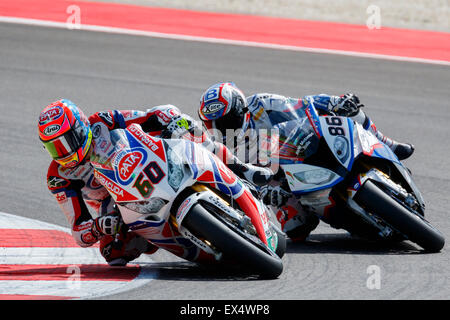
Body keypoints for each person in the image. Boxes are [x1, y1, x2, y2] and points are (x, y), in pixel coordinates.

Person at [38, 99, 270, 266]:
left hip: (146, 167)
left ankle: (240, 169)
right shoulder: (59, 176)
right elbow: (79, 232)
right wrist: (101, 226)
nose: (62, 153)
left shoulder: (103, 122)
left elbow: (151, 115)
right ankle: (192, 244)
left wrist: (172, 120)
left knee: (194, 139)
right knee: (113, 254)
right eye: (53, 147)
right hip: (118, 204)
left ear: (81, 129)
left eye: (66, 142)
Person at [198, 82, 415, 242]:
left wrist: (335, 102)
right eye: (212, 124)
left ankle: (387, 143)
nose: (220, 129)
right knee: (296, 230)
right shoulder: (222, 149)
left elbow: (304, 105)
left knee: (349, 110)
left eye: (225, 121)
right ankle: (346, 217)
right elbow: (236, 183)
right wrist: (264, 194)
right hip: (281, 182)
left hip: (304, 147)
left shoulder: (261, 105)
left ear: (240, 110)